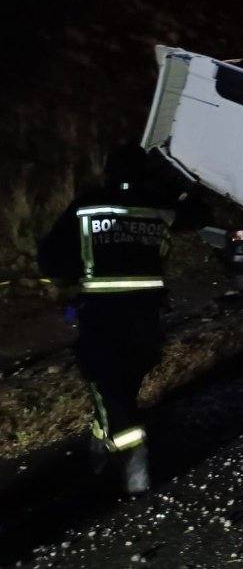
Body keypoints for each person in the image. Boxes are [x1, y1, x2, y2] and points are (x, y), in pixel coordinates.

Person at [38, 144, 180, 494]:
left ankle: (130, 448)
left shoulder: (89, 204)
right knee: (125, 380)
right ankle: (101, 437)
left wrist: (67, 279)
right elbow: (199, 214)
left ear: (108, 171)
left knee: (103, 378)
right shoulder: (159, 206)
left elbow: (52, 256)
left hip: (103, 310)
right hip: (148, 312)